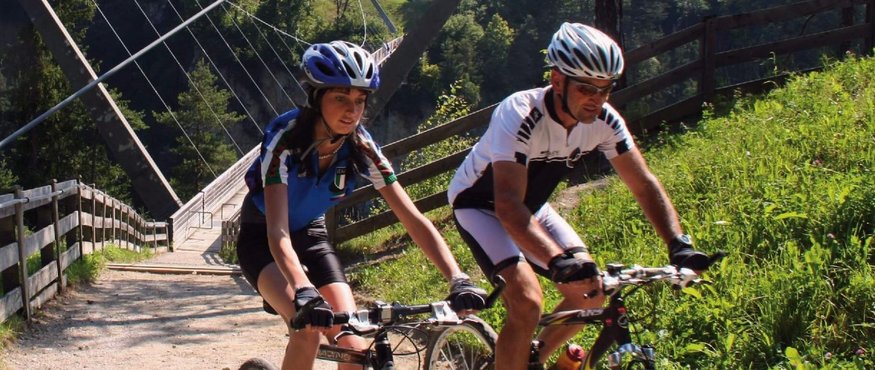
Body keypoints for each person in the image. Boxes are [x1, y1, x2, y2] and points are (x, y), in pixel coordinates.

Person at [447, 23, 710, 369]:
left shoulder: (604, 121)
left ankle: (529, 356)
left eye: (606, 89)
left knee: (592, 293)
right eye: (587, 89)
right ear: (558, 81)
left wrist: (678, 243)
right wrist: (557, 260)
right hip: (481, 206)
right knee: (527, 302)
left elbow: (643, 183)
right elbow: (508, 204)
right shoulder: (521, 113)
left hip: (532, 208)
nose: (597, 99)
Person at [236, 40, 487, 370]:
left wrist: (458, 278)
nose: (351, 110)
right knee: (308, 327)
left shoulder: (360, 147)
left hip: (311, 234)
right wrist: (303, 289)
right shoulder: (285, 140)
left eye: (359, 100)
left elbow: (411, 217)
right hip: (263, 238)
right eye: (340, 98)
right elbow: (278, 231)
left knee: (354, 346)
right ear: (315, 98)